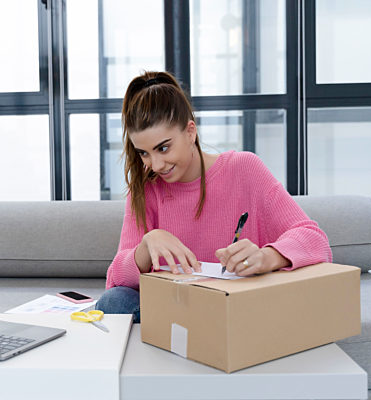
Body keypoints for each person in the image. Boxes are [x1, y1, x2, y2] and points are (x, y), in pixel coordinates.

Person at [96, 71, 332, 323]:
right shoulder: (145, 189)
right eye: (143, 153)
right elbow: (116, 281)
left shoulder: (244, 168)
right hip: (177, 311)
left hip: (237, 308)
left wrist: (265, 257)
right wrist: (146, 244)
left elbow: (316, 241)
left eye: (163, 148)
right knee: (114, 301)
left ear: (190, 132)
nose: (155, 164)